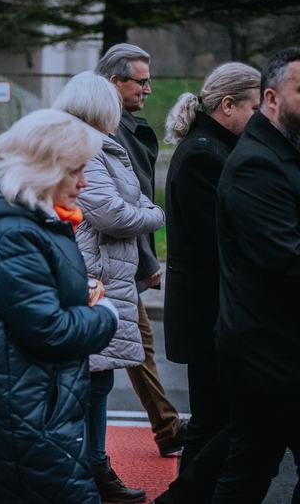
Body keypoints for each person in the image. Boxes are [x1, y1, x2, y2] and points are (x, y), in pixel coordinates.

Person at [0, 108, 118, 503]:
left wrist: (76, 291)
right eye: (75, 171)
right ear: (44, 169)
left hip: (22, 407)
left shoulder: (27, 219)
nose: (84, 182)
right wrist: (105, 316)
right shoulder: (17, 232)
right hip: (22, 418)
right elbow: (48, 329)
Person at [55, 71, 163, 503]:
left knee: (95, 380)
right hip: (93, 273)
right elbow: (113, 213)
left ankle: (92, 468)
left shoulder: (95, 143)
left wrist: (141, 208)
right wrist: (155, 216)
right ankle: (90, 469)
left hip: (103, 273)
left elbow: (129, 200)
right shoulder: (86, 146)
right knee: (88, 380)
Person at [155, 62, 261, 504]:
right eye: (255, 107)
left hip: (210, 311)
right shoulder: (205, 154)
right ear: (228, 105)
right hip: (209, 313)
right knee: (224, 421)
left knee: (214, 421)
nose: (259, 117)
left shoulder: (212, 147)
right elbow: (221, 239)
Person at [211, 48, 300, 503]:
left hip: (278, 348)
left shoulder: (282, 152)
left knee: (247, 465)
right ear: (271, 98)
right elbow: (286, 260)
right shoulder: (256, 164)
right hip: (267, 355)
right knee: (247, 469)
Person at [95, 43, 185, 457]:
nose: (147, 89)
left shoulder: (121, 125)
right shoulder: (109, 130)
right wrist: (148, 261)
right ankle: (166, 427)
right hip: (110, 259)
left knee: (136, 345)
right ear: (114, 82)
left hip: (119, 257)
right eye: (141, 82)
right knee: (132, 346)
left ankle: (167, 426)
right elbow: (122, 207)